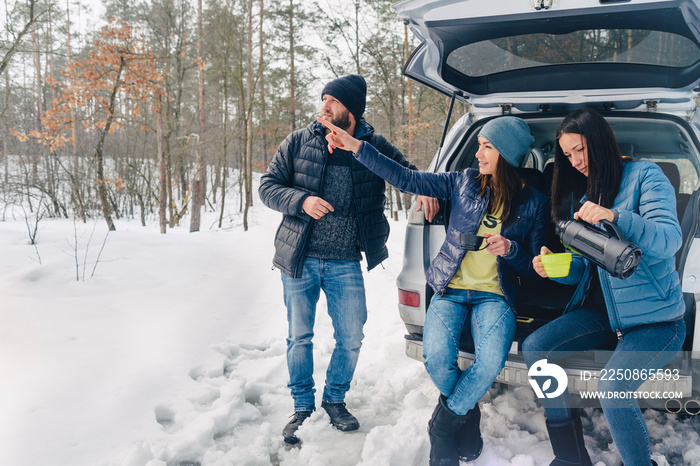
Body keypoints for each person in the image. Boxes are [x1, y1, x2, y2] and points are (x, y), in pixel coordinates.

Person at [319, 115, 549, 466]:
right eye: (479, 145)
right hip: (450, 287)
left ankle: (442, 427)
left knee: (490, 362)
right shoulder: (464, 182)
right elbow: (407, 177)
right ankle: (466, 412)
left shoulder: (533, 202)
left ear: (507, 153)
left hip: (495, 295)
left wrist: (512, 250)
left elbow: (535, 268)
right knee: (437, 357)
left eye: (487, 146)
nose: (478, 153)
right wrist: (357, 148)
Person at [259, 74, 438, 445]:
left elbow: (406, 173)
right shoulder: (298, 141)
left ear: (351, 111)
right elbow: (268, 186)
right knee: (299, 336)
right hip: (300, 258)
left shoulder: (371, 145)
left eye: (333, 101)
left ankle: (335, 400)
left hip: (344, 263)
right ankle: (302, 406)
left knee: (352, 336)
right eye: (323, 99)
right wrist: (301, 201)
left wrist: (426, 191)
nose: (324, 106)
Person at [523, 107, 687, 466]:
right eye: (567, 155)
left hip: (656, 321)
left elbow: (668, 241)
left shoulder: (646, 176)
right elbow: (587, 265)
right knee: (536, 350)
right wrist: (557, 268)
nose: (575, 161)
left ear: (599, 141)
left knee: (613, 389)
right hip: (605, 314)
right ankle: (570, 455)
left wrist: (615, 216)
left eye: (579, 149)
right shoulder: (585, 195)